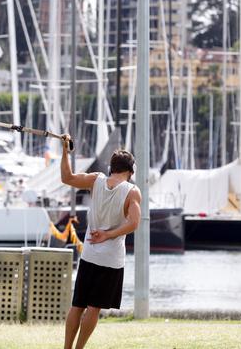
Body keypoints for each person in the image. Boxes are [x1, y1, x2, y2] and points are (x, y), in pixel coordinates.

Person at [59, 134, 142, 349]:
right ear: (130, 171)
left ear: (111, 167)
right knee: (93, 308)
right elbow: (134, 223)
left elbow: (66, 177)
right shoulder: (133, 192)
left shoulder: (96, 179)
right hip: (111, 259)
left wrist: (64, 152)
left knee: (77, 306)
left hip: (89, 254)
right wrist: (109, 235)